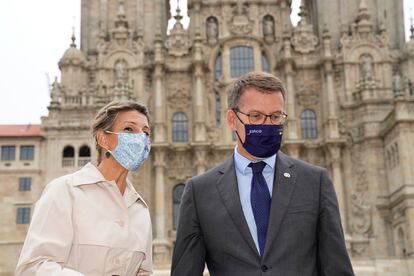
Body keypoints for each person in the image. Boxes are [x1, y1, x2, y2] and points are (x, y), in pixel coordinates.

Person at [171, 72, 354, 276]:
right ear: (232, 120)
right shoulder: (200, 192)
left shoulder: (315, 182)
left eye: (275, 116)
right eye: (255, 116)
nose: (267, 125)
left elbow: (337, 269)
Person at [16, 101, 153, 276]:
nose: (140, 138)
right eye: (129, 129)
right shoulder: (64, 191)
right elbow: (33, 267)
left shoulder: (140, 209)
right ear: (103, 138)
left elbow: (144, 271)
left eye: (146, 132)